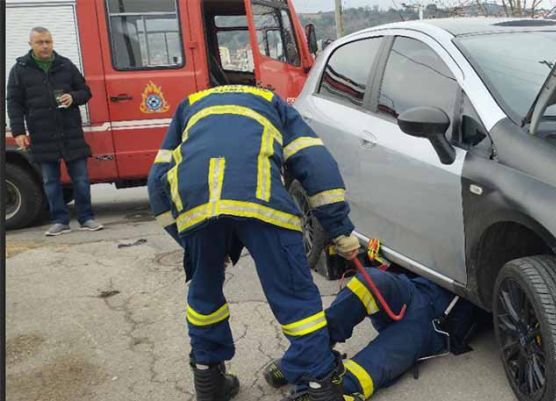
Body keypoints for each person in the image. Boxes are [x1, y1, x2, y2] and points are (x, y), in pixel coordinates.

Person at [147, 84, 361, 401]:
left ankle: (209, 380)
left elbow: (157, 183)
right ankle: (320, 386)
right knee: (297, 301)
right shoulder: (273, 104)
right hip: (262, 203)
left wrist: (187, 241)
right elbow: (314, 162)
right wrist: (341, 231)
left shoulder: (190, 105)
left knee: (204, 295)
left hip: (197, 206)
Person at [264, 265, 480, 401]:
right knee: (369, 281)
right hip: (413, 288)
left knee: (373, 363)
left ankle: (329, 391)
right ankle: (303, 359)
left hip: (433, 322)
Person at [6, 26, 103, 236]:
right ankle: (60, 221)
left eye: (48, 42)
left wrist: (73, 97)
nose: (45, 46)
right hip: (42, 134)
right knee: (50, 181)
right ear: (30, 44)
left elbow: (85, 91)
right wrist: (18, 131)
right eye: (40, 42)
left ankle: (87, 218)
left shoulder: (65, 65)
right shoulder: (19, 70)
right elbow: (14, 103)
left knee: (81, 180)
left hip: (70, 133)